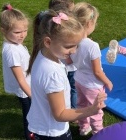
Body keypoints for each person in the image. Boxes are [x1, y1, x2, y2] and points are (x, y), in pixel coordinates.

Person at [26, 10, 107, 139]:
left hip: (40, 126)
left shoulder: (42, 53)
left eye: (76, 45)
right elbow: (60, 114)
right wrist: (90, 110)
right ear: (48, 42)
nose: (74, 51)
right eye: (69, 46)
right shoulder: (52, 73)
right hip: (52, 132)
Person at [69, 2, 113, 136]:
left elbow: (68, 60)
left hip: (79, 80)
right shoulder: (92, 46)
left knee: (82, 106)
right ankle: (98, 133)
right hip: (93, 85)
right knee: (96, 110)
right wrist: (107, 82)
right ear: (89, 23)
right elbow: (97, 71)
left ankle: (83, 128)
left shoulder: (70, 40)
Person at [0, 4, 32, 140]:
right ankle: (30, 137)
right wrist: (33, 96)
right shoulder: (11, 51)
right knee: (29, 117)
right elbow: (20, 79)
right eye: (17, 32)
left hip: (27, 86)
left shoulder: (14, 44)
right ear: (3, 31)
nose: (22, 35)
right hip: (25, 91)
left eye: (25, 30)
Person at [48, 0, 77, 109]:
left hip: (58, 64)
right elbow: (69, 55)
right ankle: (73, 110)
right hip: (68, 67)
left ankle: (64, 106)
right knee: (72, 89)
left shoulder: (50, 25)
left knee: (64, 88)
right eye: (72, 10)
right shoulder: (66, 30)